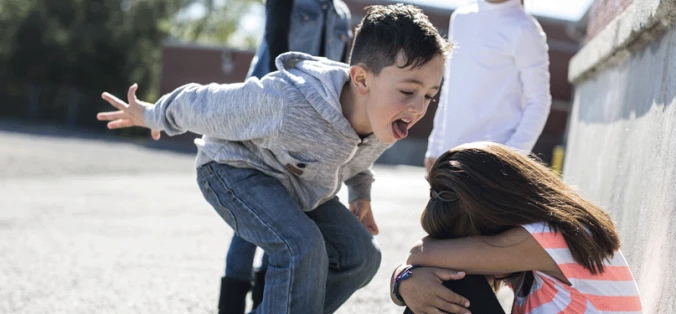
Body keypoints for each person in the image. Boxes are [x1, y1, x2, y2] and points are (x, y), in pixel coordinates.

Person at [96, 4, 451, 314]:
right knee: (301, 246)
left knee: (361, 255)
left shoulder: (385, 117)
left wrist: (361, 192)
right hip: (233, 170)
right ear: (361, 79)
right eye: (408, 90)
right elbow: (204, 103)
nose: (418, 107)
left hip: (298, 184)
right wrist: (151, 115)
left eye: (429, 96)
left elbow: (358, 158)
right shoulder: (287, 101)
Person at [390, 142, 642, 314]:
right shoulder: (539, 242)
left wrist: (406, 276)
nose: (465, 251)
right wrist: (404, 281)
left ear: (495, 214)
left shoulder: (549, 236)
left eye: (468, 241)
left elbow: (419, 254)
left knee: (454, 282)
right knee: (438, 280)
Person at [221, 1, 353, 312]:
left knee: (285, 214)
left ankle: (264, 303)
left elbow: (341, 74)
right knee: (252, 216)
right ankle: (229, 307)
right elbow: (274, 45)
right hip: (268, 114)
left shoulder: (342, 14)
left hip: (312, 126)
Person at [424, 0, 551, 173]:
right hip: (449, 156)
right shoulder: (460, 18)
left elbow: (538, 101)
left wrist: (510, 159)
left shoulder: (525, 28)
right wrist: (435, 146)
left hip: (491, 164)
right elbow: (450, 88)